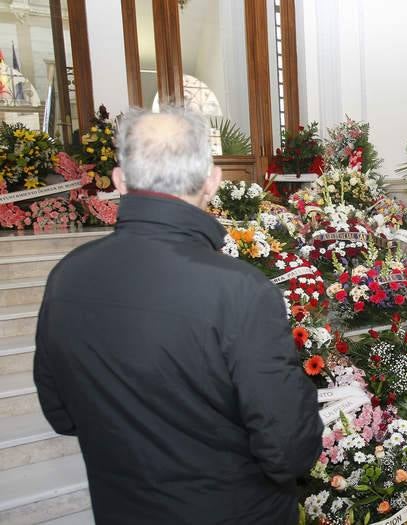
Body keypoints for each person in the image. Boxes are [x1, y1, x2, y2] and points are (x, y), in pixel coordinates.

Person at [34, 108, 323, 524]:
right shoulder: (241, 291)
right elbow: (290, 450)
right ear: (212, 181)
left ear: (119, 181)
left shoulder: (67, 278)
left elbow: (60, 413)